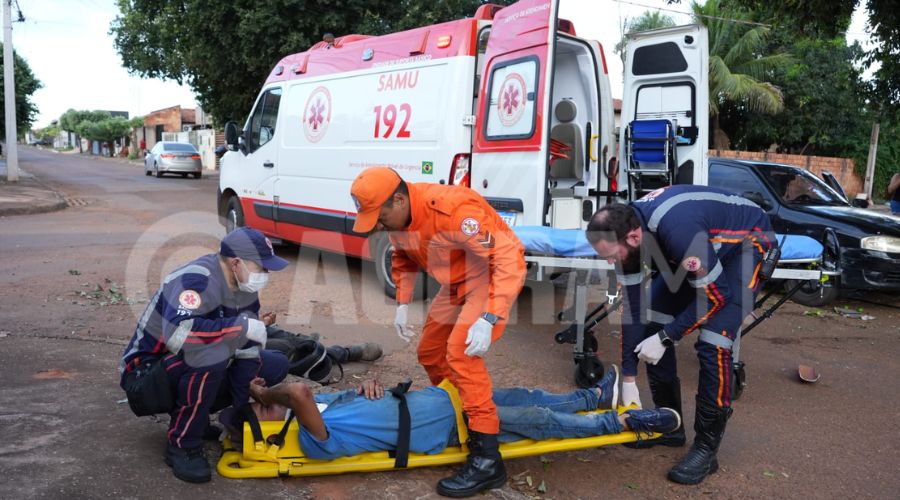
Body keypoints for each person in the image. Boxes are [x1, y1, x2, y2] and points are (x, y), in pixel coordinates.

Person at [119, 227, 379, 483]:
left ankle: (194, 419)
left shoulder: (245, 289)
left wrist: (241, 412)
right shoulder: (195, 280)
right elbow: (180, 337)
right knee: (212, 354)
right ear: (236, 263)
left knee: (273, 363)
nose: (265, 274)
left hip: (177, 370)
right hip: (145, 378)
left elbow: (246, 350)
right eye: (262, 267)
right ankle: (182, 443)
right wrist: (242, 327)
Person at [350, 167, 526, 497]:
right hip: (456, 284)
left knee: (462, 354)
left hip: (486, 279)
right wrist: (402, 301)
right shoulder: (400, 220)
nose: (378, 225)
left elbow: (509, 257)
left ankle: (488, 458)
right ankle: (459, 412)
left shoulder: (454, 210)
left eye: (380, 217)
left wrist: (488, 317)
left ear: (399, 200)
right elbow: (402, 256)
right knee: (429, 353)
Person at [585, 185, 774, 485]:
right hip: (700, 250)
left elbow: (716, 297)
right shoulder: (628, 227)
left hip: (747, 244)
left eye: (612, 255)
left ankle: (706, 449)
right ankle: (669, 427)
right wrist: (630, 378)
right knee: (650, 323)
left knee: (715, 341)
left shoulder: (677, 230)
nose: (610, 262)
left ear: (634, 237)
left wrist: (666, 338)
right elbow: (633, 308)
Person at [238, 365, 681, 464]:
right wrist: (261, 388)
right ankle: (622, 425)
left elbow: (306, 396)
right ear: (270, 427)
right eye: (264, 407)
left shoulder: (323, 408)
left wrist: (367, 389)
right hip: (452, 426)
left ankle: (591, 398)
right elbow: (295, 390)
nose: (268, 402)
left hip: (446, 399)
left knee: (523, 394)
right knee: (536, 419)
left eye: (262, 400)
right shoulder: (316, 441)